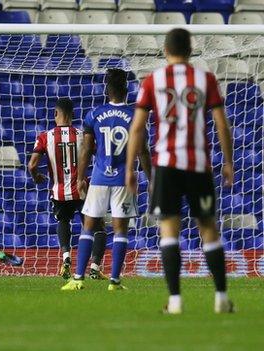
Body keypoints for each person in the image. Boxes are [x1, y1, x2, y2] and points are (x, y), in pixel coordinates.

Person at [126, 28, 234, 313]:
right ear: (190, 50)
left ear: (165, 50)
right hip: (198, 165)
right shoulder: (205, 79)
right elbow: (222, 124)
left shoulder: (153, 80)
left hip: (166, 166)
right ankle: (221, 297)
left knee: (169, 231)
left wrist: (130, 170)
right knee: (209, 229)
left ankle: (174, 300)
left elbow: (136, 129)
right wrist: (228, 162)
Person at [62, 69, 151, 291]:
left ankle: (78, 278)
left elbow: (86, 149)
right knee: (121, 230)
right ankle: (114, 281)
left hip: (100, 177)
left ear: (106, 90)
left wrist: (80, 177)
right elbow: (142, 151)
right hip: (123, 179)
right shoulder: (135, 116)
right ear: (127, 90)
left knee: (89, 227)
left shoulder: (94, 114)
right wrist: (151, 179)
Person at [28, 97, 109, 280]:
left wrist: (36, 177)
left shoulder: (45, 137)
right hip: (82, 191)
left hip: (59, 192)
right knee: (99, 229)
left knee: (63, 221)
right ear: (73, 115)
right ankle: (95, 267)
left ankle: (66, 257)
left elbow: (32, 165)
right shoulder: (82, 135)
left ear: (55, 114)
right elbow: (99, 155)